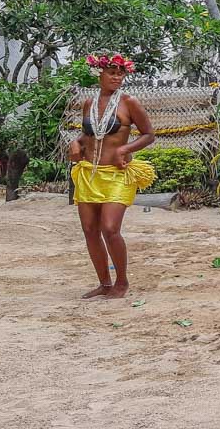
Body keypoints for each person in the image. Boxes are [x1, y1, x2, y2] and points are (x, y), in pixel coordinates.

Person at [68, 53, 156, 299]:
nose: (117, 77)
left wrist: (125, 149)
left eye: (121, 73)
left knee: (110, 228)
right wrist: (75, 143)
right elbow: (89, 136)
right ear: (100, 74)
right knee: (89, 229)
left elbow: (149, 135)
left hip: (117, 174)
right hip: (88, 173)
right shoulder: (89, 103)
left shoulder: (129, 102)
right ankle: (104, 284)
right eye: (112, 73)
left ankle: (122, 282)